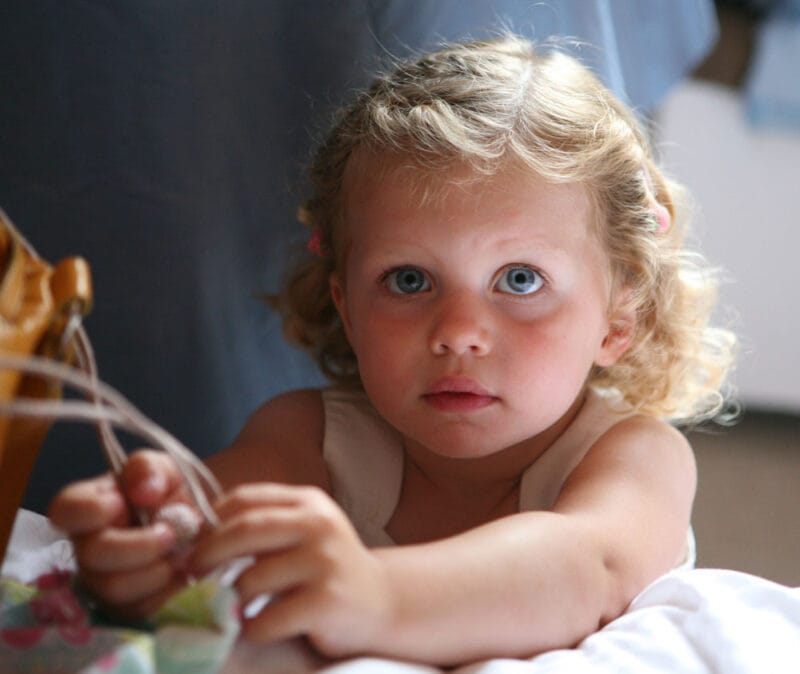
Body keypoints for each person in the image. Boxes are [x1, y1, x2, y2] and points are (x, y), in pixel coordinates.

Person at [49, 36, 736, 665]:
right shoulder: (309, 438)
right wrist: (154, 547)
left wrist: (375, 593)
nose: (458, 330)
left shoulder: (634, 455)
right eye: (409, 280)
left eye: (520, 280)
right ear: (346, 306)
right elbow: (217, 520)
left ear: (620, 317)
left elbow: (588, 568)